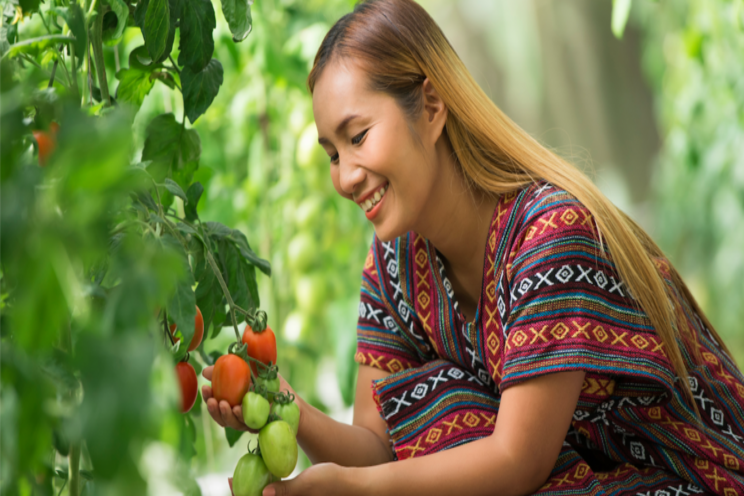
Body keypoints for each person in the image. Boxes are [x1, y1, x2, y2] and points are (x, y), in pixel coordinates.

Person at [201, 0, 744, 494]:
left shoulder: (549, 235)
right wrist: (281, 405)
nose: (344, 177)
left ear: (432, 106)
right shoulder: (393, 267)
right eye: (332, 153)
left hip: (692, 483)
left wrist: (356, 493)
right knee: (433, 417)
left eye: (358, 137)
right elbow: (376, 450)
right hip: (596, 481)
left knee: (443, 413)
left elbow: (517, 461)